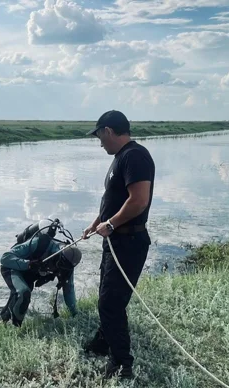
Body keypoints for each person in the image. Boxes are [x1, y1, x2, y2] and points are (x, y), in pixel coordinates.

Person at [81, 110, 155, 379]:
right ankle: (104, 341)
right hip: (116, 240)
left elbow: (138, 200)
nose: (99, 142)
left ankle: (122, 364)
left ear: (109, 131)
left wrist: (110, 225)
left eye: (100, 136)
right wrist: (97, 222)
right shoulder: (121, 158)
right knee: (107, 295)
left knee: (111, 303)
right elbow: (114, 199)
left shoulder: (135, 156)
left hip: (128, 241)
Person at [0, 220, 82, 326]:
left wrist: (75, 315)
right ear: (57, 256)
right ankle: (15, 330)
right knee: (23, 292)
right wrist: (28, 264)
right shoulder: (38, 243)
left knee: (19, 298)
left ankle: (0, 323)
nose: (57, 269)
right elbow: (5, 258)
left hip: (29, 273)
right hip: (12, 267)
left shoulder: (67, 266)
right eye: (58, 264)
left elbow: (69, 291)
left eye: (63, 268)